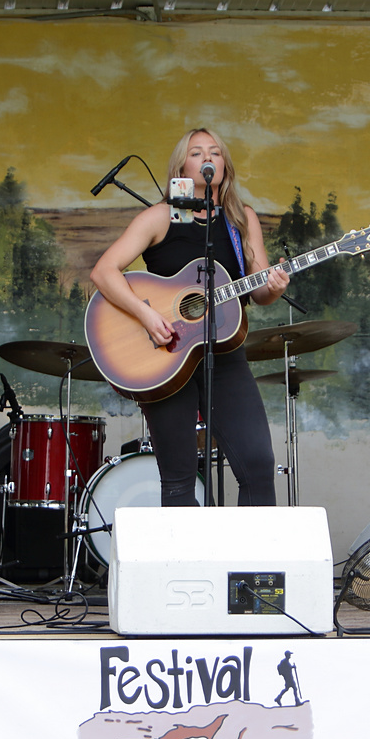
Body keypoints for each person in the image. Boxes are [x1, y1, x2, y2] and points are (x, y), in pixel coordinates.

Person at [89, 127, 289, 506]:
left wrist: (274, 288)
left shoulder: (240, 220)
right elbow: (104, 272)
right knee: (179, 480)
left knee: (258, 466)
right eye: (196, 153)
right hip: (165, 359)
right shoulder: (159, 217)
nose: (207, 158)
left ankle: (252, 547)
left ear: (225, 166)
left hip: (224, 356)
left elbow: (259, 291)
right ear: (181, 167)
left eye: (215, 152)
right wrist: (147, 316)